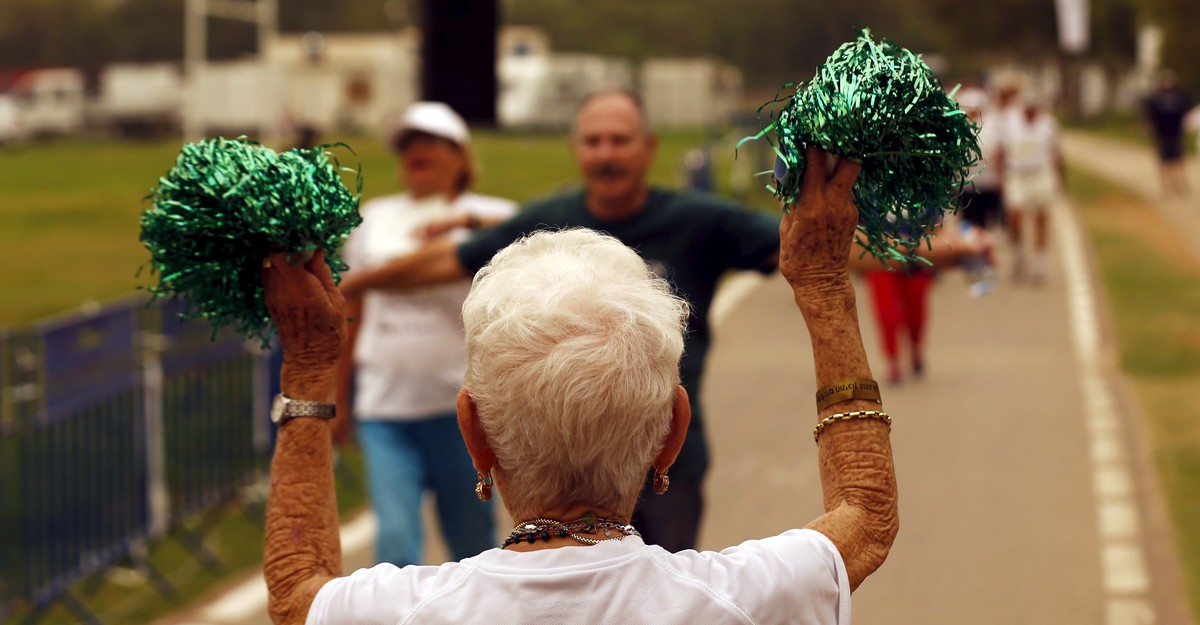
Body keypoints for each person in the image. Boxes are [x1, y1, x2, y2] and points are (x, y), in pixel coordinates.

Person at [259, 144, 897, 625]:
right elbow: (866, 516)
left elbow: (296, 589)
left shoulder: (410, 611)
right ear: (671, 435)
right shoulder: (735, 601)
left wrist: (310, 366)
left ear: (473, 435)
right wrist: (823, 287)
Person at [338, 89, 783, 552]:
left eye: (619, 140)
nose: (605, 154)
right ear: (576, 148)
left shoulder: (700, 221)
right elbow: (446, 261)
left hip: (665, 461)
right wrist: (355, 284)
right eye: (593, 142)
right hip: (558, 474)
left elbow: (804, 249)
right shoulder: (548, 221)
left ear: (648, 146)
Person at [335, 101, 516, 567]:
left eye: (431, 142)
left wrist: (464, 222)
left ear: (460, 155)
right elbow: (350, 309)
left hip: (463, 413)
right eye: (408, 144)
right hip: (385, 407)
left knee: (471, 543)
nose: (417, 152)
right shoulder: (373, 218)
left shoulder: (486, 213)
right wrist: (338, 397)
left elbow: (540, 223)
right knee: (393, 541)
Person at [1002, 98, 1063, 285]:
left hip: (1041, 174)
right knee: (1015, 215)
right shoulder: (1010, 122)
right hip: (1018, 175)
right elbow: (1001, 150)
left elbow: (1057, 152)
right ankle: (1019, 255)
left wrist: (1061, 180)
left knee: (1041, 217)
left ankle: (1039, 263)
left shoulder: (1049, 124)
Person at [1143, 70, 1193, 196]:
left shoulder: (1179, 97)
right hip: (1161, 133)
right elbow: (1149, 115)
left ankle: (1178, 183)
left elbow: (1186, 112)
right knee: (1163, 160)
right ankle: (1166, 185)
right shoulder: (1155, 99)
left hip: (1176, 132)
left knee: (1178, 159)